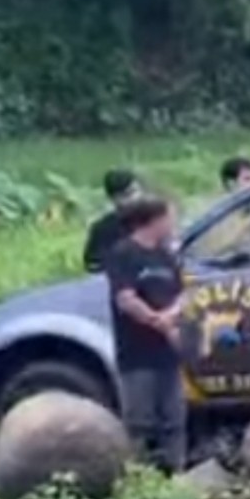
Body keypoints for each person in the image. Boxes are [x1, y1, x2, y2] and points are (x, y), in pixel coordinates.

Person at [105, 195, 186, 473]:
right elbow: (125, 299)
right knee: (140, 422)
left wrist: (171, 316)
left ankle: (176, 475)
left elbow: (182, 295)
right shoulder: (124, 253)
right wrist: (156, 320)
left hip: (168, 353)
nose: (173, 223)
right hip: (136, 352)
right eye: (169, 217)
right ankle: (139, 478)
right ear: (154, 220)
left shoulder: (166, 255)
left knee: (174, 420)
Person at [83, 169, 140, 273]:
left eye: (136, 192)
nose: (134, 198)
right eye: (127, 195)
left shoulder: (155, 218)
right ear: (113, 199)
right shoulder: (102, 229)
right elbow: (92, 265)